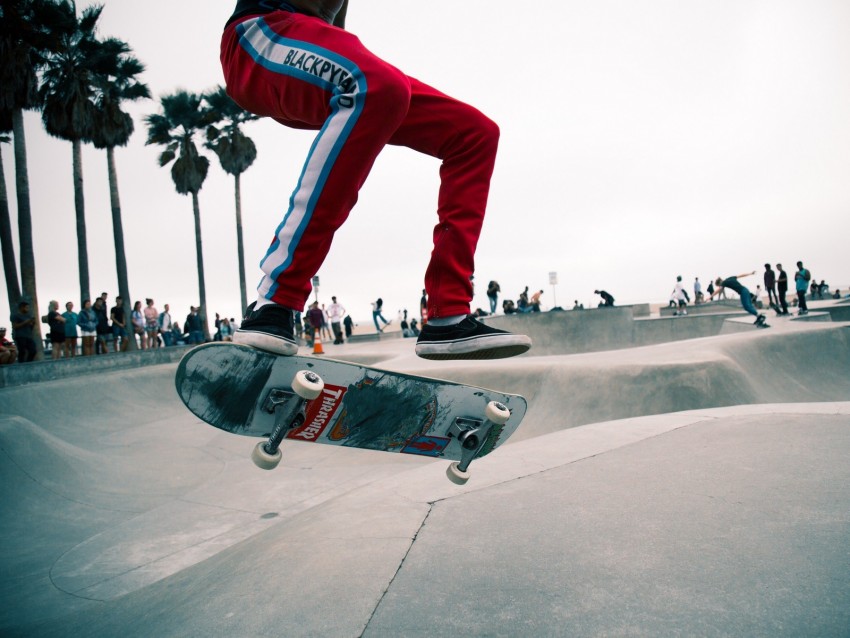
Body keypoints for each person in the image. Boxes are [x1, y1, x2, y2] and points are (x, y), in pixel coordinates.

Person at [221, 0, 530, 360]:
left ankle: (449, 314)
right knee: (380, 84)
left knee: (475, 133)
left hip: (309, 57)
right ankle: (275, 299)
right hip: (256, 40)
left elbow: (334, 30)